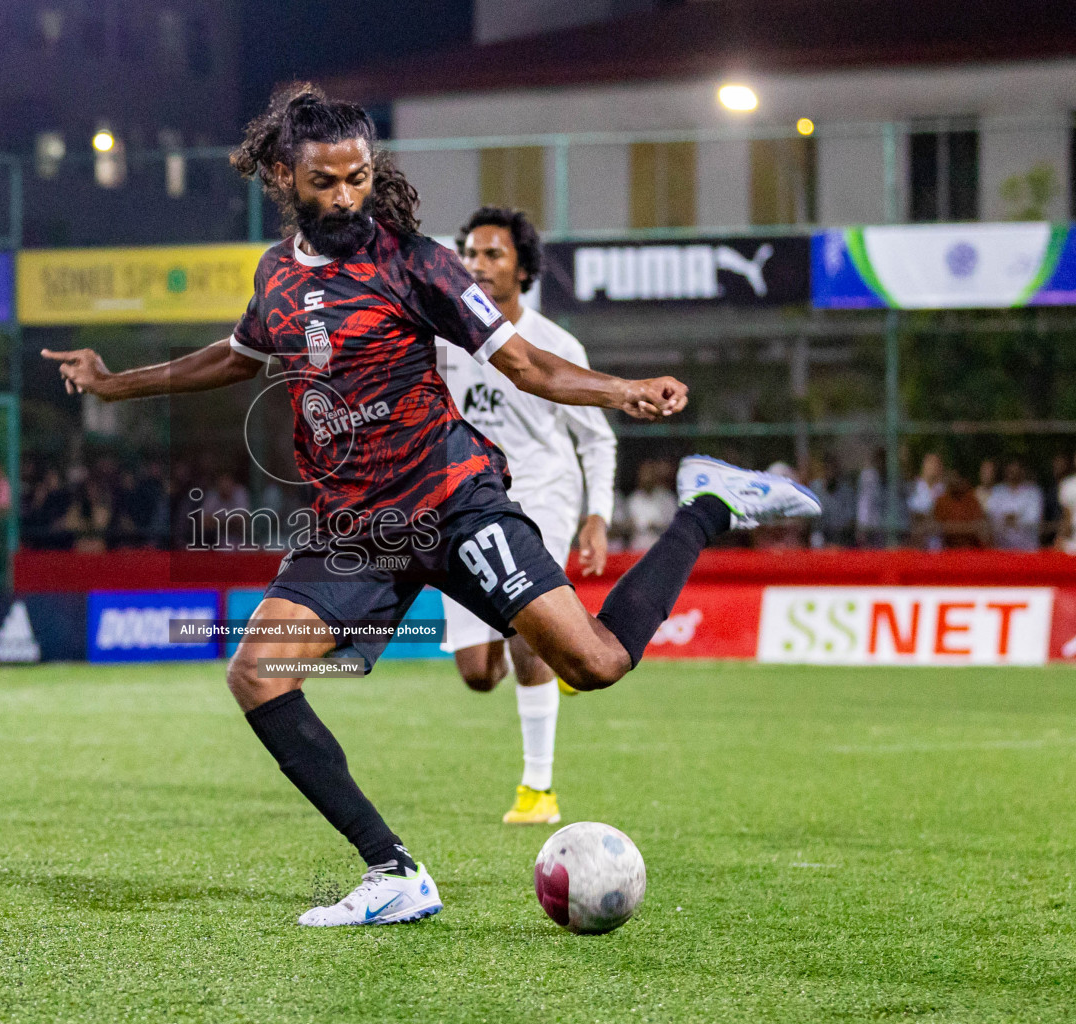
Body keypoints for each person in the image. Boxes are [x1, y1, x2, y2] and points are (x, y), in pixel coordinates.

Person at [44, 83, 818, 927]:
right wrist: (117, 383)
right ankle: (395, 873)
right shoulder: (273, 277)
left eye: (359, 178)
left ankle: (705, 506)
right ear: (282, 175)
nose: (345, 197)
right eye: (326, 182)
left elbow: (527, 365)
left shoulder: (414, 261)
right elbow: (232, 359)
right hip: (356, 526)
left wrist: (622, 390)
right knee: (258, 673)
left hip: (452, 502)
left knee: (595, 665)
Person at [436, 205, 617, 826]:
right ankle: (565, 639)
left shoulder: (557, 345)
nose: (478, 265)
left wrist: (599, 515)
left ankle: (537, 791)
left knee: (523, 634)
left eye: (494, 255)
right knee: (477, 674)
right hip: (466, 498)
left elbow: (597, 439)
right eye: (472, 253)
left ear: (524, 268)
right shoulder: (445, 342)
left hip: (541, 492)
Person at [985, 459, 1041, 550]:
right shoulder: (997, 491)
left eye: (1016, 470)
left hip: (1027, 548)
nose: (1014, 473)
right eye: (1011, 471)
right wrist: (1005, 518)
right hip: (1002, 548)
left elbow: (1034, 518)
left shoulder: (1033, 491)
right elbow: (991, 515)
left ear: (1022, 471)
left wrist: (1015, 518)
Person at [625, 460, 677, 550]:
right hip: (637, 550)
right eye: (644, 474)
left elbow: (677, 526)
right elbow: (626, 527)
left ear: (655, 476)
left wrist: (657, 526)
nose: (647, 478)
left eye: (649, 474)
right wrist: (629, 525)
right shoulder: (633, 499)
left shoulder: (667, 498)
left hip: (662, 548)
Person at [931, 471, 988, 548]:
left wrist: (952, 528)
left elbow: (979, 527)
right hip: (947, 549)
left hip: (970, 548)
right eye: (954, 479)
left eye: (959, 480)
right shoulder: (941, 500)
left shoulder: (972, 500)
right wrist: (966, 528)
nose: (957, 482)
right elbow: (937, 527)